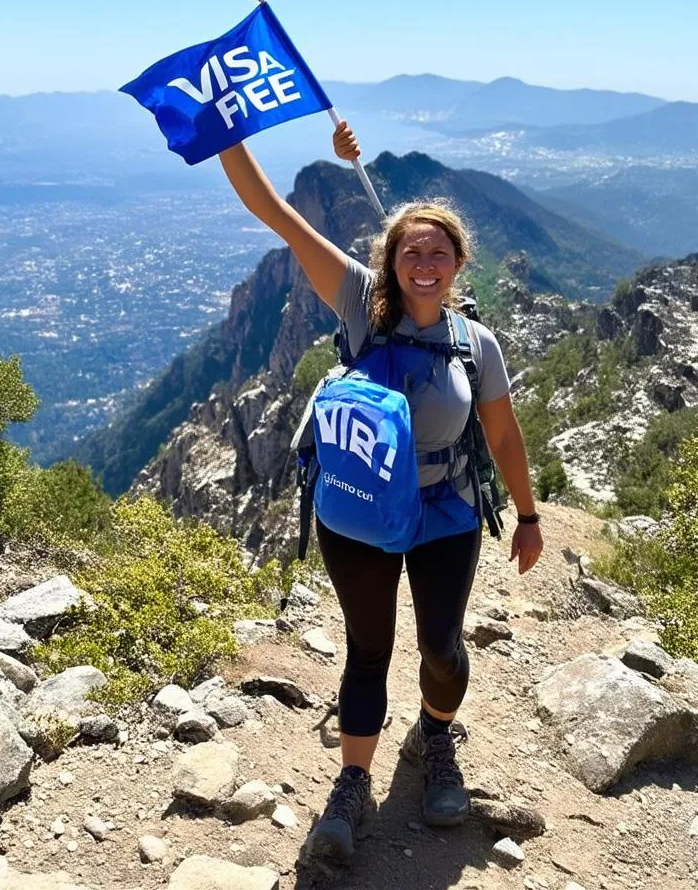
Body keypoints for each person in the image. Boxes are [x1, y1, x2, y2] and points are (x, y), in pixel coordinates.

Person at [217, 121, 544, 863]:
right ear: (389, 260)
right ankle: (351, 785)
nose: (423, 263)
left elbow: (504, 436)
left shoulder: (476, 344)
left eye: (438, 252)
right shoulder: (361, 306)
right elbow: (278, 214)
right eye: (410, 250)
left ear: (458, 263)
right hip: (360, 510)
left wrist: (527, 516)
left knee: (442, 647)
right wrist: (227, 131)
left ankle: (435, 737)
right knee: (369, 650)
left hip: (445, 512)